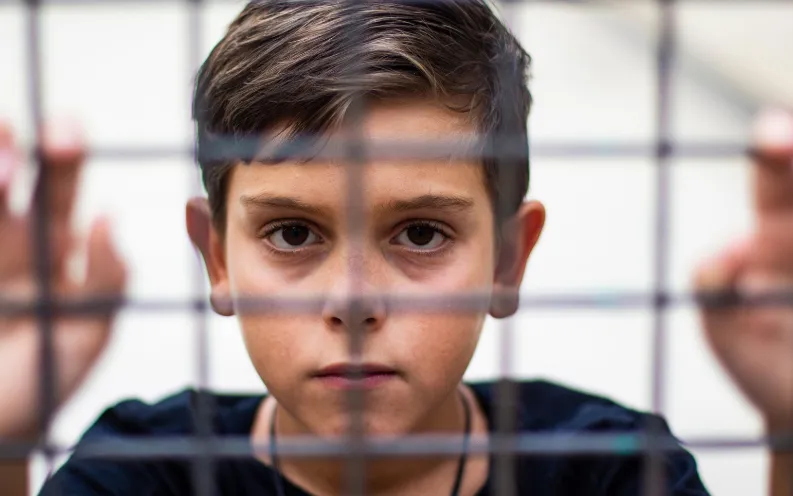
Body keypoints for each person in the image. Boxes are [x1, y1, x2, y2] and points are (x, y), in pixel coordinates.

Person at [1, 1, 792, 494]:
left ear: (508, 258)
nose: (351, 300)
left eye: (420, 233)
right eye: (292, 232)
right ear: (216, 258)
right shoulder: (142, 475)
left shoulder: (610, 470)